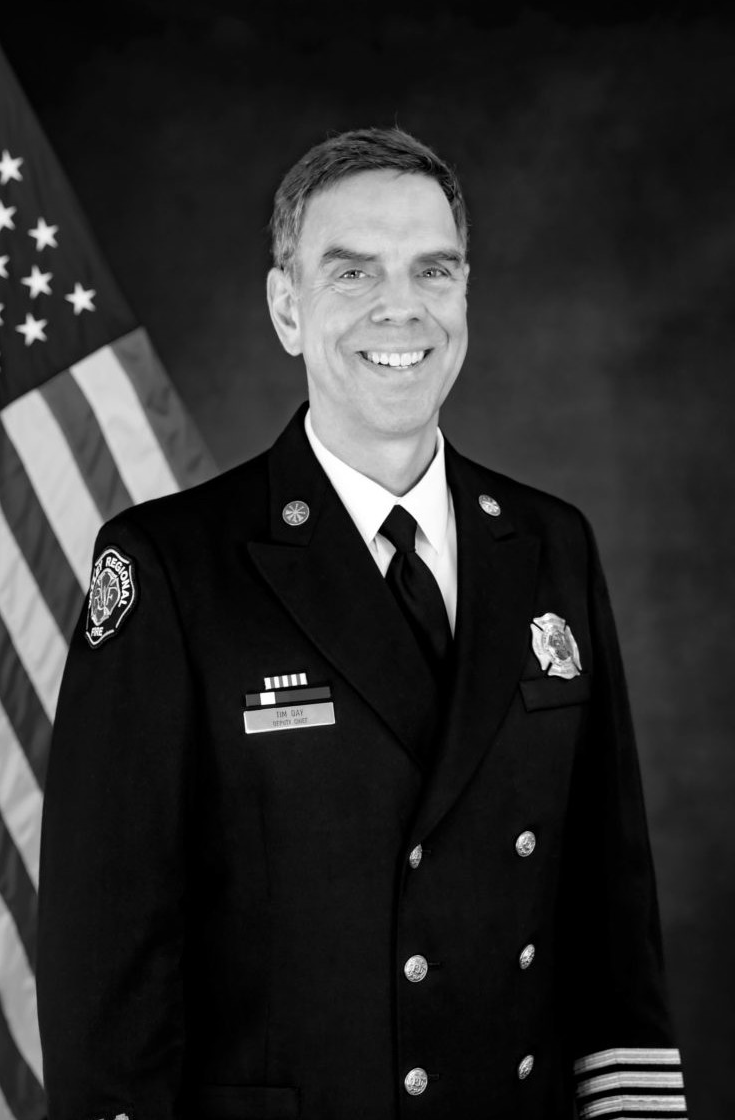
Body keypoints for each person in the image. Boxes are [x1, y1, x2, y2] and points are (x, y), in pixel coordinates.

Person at [36, 128, 688, 1120]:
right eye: (353, 272)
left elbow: (612, 908)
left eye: (435, 269)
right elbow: (105, 953)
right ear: (286, 308)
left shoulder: (553, 546)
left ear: (466, 296)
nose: (402, 307)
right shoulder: (173, 568)